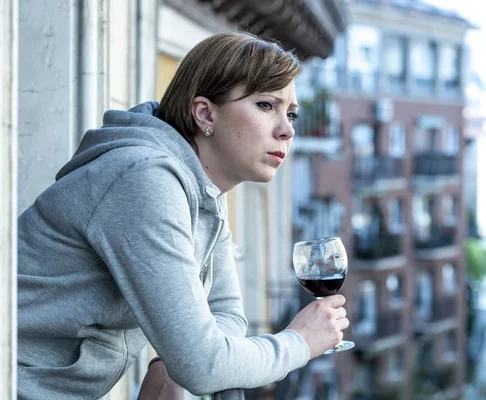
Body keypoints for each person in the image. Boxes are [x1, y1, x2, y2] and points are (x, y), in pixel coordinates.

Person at [17, 32, 349, 399]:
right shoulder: (144, 179)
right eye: (266, 105)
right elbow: (204, 365)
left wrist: (169, 365)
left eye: (291, 113)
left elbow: (225, 313)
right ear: (205, 113)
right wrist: (300, 343)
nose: (287, 130)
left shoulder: (204, 188)